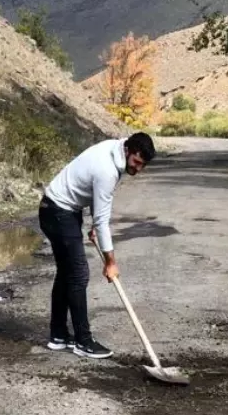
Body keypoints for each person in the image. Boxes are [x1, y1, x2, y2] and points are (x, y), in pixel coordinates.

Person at [38, 132, 156, 359]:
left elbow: (96, 199)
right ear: (128, 151)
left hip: (62, 210)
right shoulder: (107, 170)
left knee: (67, 273)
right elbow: (102, 221)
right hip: (57, 213)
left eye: (143, 165)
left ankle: (58, 336)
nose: (138, 169)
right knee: (78, 274)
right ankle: (83, 341)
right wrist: (110, 262)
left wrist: (94, 223)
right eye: (136, 162)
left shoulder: (116, 150)